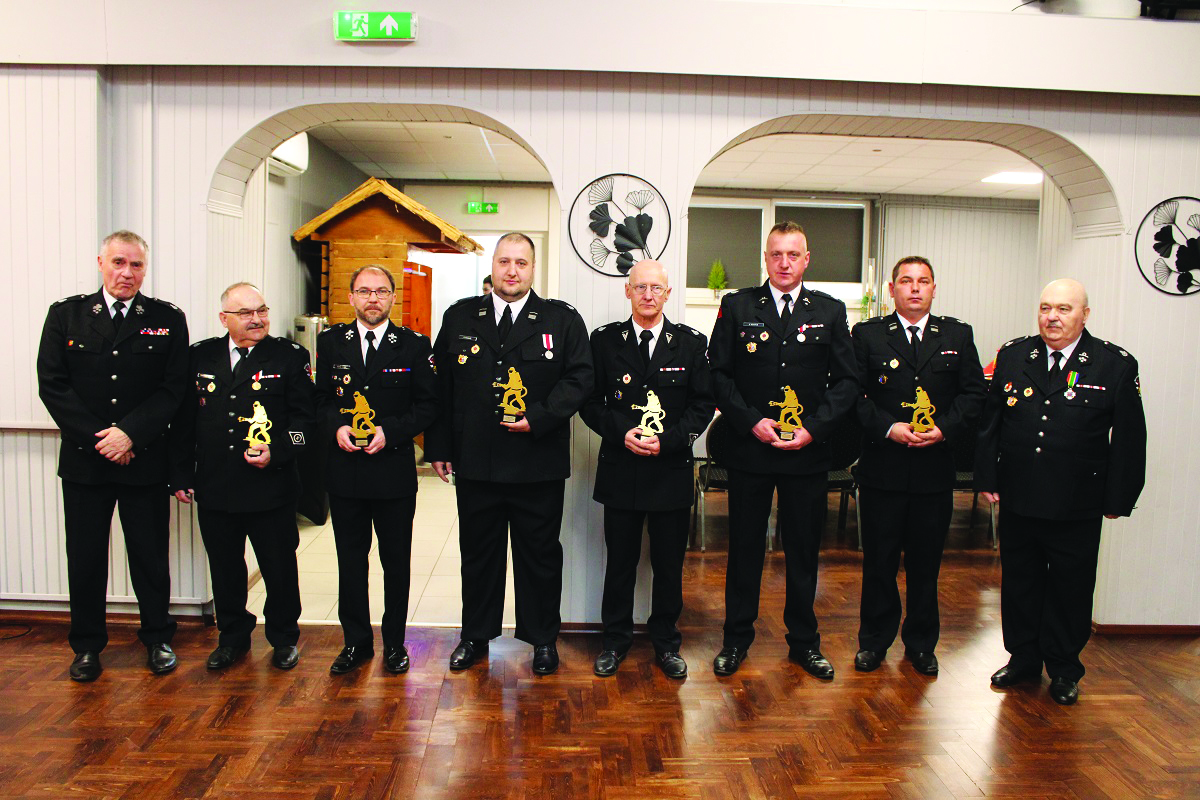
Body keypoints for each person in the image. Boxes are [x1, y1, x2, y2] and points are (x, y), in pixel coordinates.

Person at [426, 233, 593, 675]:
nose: (512, 270)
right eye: (504, 261)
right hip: (476, 461)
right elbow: (441, 386)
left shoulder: (561, 319)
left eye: (521, 262)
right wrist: (438, 446)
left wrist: (538, 417)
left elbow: (580, 379)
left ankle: (542, 640)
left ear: (533, 268)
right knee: (478, 554)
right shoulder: (461, 316)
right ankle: (475, 636)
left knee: (539, 556)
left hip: (537, 462)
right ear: (493, 266)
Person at [976, 279, 1146, 705]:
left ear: (1084, 315)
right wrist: (988, 478)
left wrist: (1118, 499)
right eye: (1046, 308)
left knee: (1071, 587)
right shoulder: (1014, 356)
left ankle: (1065, 668)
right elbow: (990, 424)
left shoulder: (1113, 365)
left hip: (1077, 502)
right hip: (1020, 495)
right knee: (1020, 582)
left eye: (1064, 309)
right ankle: (1023, 659)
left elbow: (1129, 440)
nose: (1052, 317)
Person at [707, 221, 857, 678]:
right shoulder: (737, 306)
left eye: (793, 255)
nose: (784, 263)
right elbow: (718, 375)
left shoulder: (829, 311)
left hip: (806, 454)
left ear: (806, 260)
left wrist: (814, 429)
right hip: (750, 451)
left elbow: (847, 381)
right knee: (744, 549)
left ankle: (804, 643)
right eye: (777, 254)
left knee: (803, 551)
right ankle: (736, 640)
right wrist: (750, 421)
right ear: (766, 259)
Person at [36, 230, 189, 682]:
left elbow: (174, 389)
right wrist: (102, 439)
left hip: (144, 459)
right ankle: (86, 647)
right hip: (86, 462)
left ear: (145, 269)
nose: (127, 273)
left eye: (136, 265)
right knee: (85, 559)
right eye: (119, 262)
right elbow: (53, 385)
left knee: (150, 556)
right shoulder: (67, 315)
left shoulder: (166, 318)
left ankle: (157, 638)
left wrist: (130, 435)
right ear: (101, 262)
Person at [169, 283, 316, 671]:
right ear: (224, 319)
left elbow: (306, 422)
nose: (257, 319)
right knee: (225, 569)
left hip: (272, 486)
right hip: (216, 485)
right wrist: (181, 473)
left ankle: (283, 638)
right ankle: (232, 637)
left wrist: (277, 451)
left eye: (262, 310)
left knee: (278, 568)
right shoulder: (200, 356)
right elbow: (184, 422)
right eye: (246, 313)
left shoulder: (289, 356)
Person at [850, 257, 986, 676]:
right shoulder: (868, 335)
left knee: (926, 566)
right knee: (879, 563)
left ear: (933, 288)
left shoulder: (957, 335)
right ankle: (874, 642)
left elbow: (973, 395)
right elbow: (852, 396)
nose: (914, 288)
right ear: (892, 289)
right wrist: (888, 427)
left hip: (933, 471)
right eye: (906, 281)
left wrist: (944, 429)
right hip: (883, 469)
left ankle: (922, 644)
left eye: (923, 281)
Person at [580, 260, 715, 679]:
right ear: (628, 291)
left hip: (670, 471)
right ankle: (615, 642)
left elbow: (702, 405)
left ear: (668, 293)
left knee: (668, 567)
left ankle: (666, 644)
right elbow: (589, 403)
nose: (648, 295)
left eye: (656, 287)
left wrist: (669, 441)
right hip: (621, 469)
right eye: (640, 287)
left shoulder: (690, 343)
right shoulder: (604, 342)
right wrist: (621, 432)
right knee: (619, 564)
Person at [316, 265, 439, 675]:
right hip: (345, 471)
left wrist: (392, 431)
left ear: (393, 298)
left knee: (395, 563)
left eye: (381, 291)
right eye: (365, 291)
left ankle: (395, 644)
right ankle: (355, 643)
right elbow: (320, 400)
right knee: (351, 562)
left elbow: (428, 405)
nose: (373, 299)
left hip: (392, 472)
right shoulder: (331, 342)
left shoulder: (414, 346)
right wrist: (336, 426)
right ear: (351, 296)